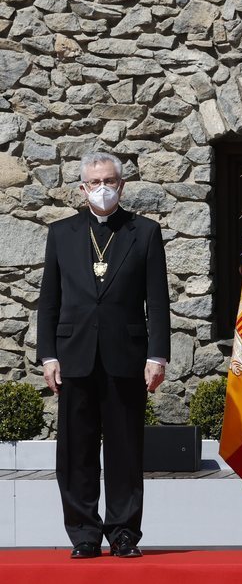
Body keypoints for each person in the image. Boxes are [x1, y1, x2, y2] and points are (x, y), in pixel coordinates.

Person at [37, 152, 171, 559]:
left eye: (109, 181)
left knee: (125, 449)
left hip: (125, 354)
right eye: (94, 182)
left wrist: (158, 355)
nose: (102, 188)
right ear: (82, 188)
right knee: (75, 451)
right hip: (74, 353)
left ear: (122, 185)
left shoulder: (144, 232)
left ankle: (124, 532)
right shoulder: (62, 234)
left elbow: (158, 301)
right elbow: (49, 301)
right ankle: (83, 534)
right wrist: (47, 355)